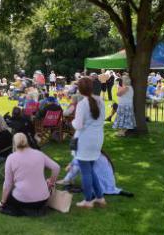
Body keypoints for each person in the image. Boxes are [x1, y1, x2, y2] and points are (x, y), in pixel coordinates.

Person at [0, 133, 60, 217]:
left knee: (9, 200)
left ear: (14, 143)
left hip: (23, 199)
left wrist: (3, 202)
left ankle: (20, 210)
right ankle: (33, 211)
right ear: (27, 141)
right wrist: (51, 182)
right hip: (43, 199)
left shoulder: (11, 158)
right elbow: (56, 167)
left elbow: (8, 183)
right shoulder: (39, 154)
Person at [72, 77, 106, 208]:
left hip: (85, 140)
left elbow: (78, 125)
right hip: (97, 138)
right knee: (90, 170)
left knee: (86, 171)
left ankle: (87, 200)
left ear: (80, 90)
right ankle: (99, 197)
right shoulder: (101, 101)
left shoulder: (82, 104)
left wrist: (72, 122)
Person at [57, 151, 133, 197]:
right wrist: (71, 163)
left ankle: (67, 181)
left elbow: (76, 164)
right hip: (110, 183)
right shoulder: (97, 151)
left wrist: (66, 180)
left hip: (97, 184)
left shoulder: (84, 153)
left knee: (77, 166)